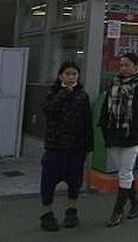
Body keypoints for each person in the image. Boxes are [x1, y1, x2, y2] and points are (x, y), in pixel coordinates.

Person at [98, 52, 138, 228]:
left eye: (127, 65)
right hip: (113, 133)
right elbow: (106, 106)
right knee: (124, 171)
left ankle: (118, 210)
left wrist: (135, 126)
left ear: (136, 66)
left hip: (131, 135)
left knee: (125, 172)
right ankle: (135, 201)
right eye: (121, 65)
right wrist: (103, 126)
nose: (123, 68)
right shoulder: (113, 83)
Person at [39, 61, 93, 231]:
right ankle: (47, 214)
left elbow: (87, 122)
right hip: (55, 146)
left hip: (76, 147)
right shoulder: (53, 93)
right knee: (49, 180)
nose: (71, 77)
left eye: (74, 74)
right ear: (60, 76)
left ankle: (72, 211)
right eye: (68, 74)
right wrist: (64, 93)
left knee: (74, 180)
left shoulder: (83, 96)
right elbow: (48, 110)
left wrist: (88, 145)